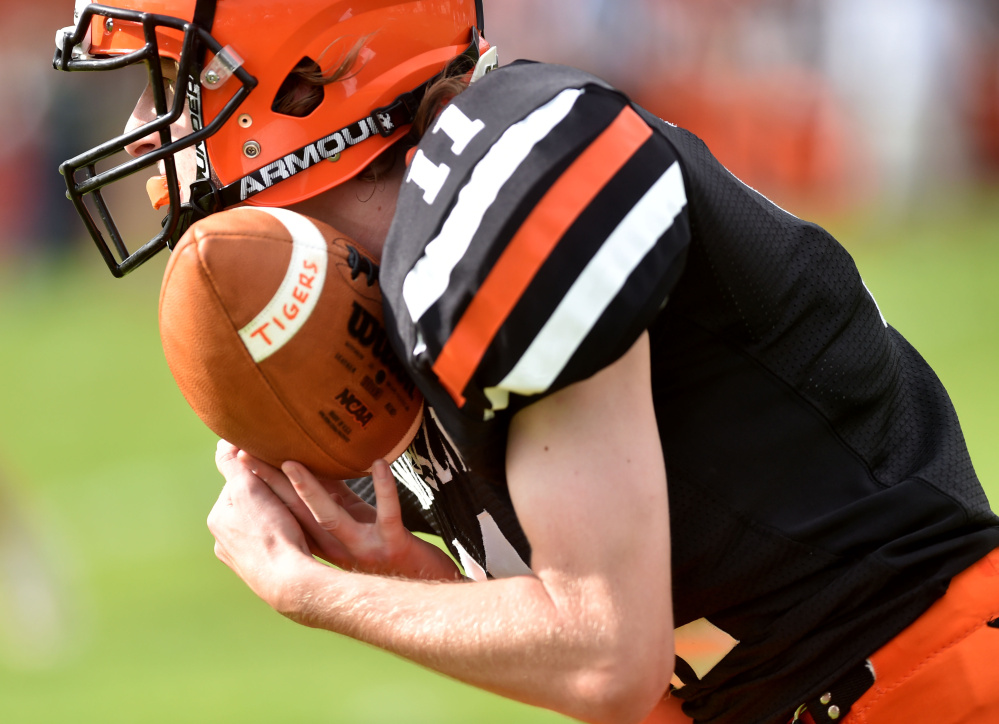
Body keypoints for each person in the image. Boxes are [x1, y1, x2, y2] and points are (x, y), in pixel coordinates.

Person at [52, 1, 999, 723]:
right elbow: (632, 666)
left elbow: (608, 656)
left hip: (933, 687)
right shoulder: (391, 277)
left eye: (169, 82)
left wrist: (312, 591)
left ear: (304, 84)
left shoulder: (495, 182)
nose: (144, 124)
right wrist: (403, 575)